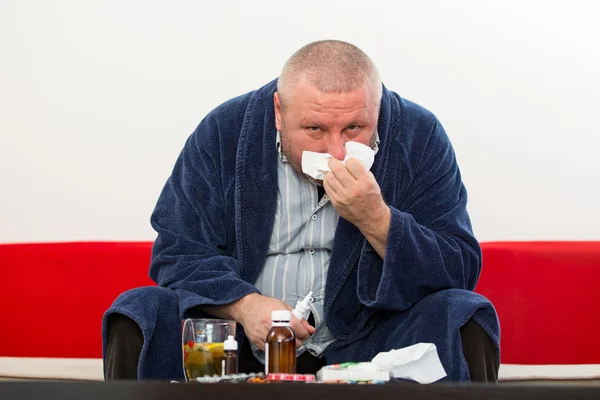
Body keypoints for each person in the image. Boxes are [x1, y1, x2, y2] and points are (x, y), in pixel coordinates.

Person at [102, 40, 500, 382]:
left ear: (378, 110)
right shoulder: (225, 131)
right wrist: (243, 305)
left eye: (354, 128)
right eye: (314, 130)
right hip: (241, 343)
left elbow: (458, 268)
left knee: (461, 312)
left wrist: (376, 219)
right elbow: (176, 250)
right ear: (278, 112)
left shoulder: (418, 134)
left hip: (372, 339)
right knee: (140, 309)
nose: (336, 151)